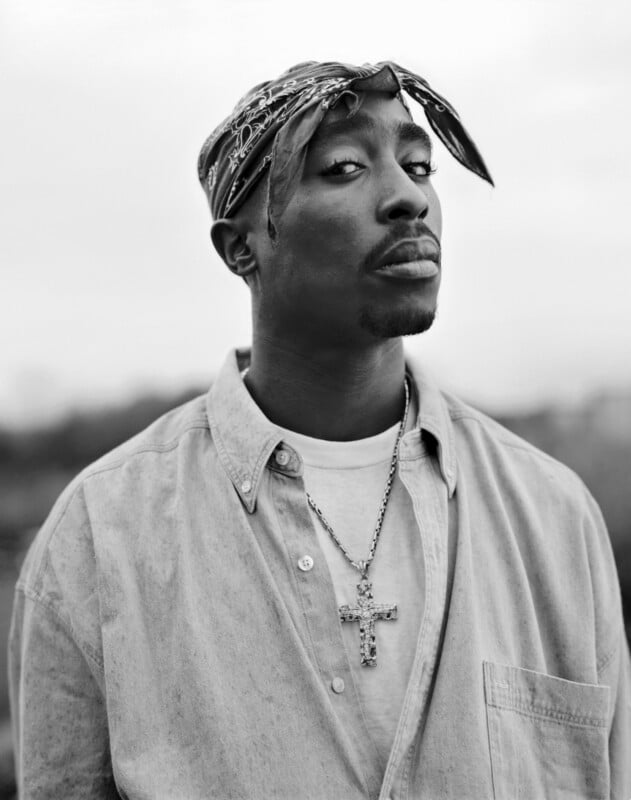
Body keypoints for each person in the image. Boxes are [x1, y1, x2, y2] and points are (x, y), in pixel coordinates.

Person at [9, 60, 631, 799]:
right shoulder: (99, 538)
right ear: (241, 247)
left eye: (418, 164)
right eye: (342, 167)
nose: (407, 197)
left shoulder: (553, 516)